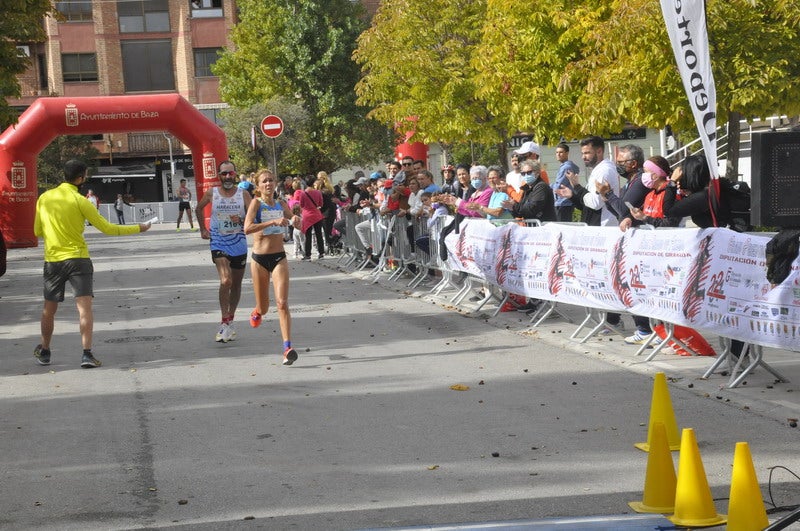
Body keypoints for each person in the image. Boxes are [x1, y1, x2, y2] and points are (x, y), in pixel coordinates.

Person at [32, 159, 151, 368]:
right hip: (78, 259)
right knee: (84, 309)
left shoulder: (44, 198)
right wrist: (138, 228)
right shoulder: (81, 201)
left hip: (53, 260)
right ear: (81, 178)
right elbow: (107, 228)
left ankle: (45, 351)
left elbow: (37, 232)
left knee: (48, 309)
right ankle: (86, 354)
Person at [244, 169, 299, 366]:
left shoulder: (281, 203)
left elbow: (295, 221)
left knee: (282, 302)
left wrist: (296, 220)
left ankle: (287, 348)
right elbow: (247, 228)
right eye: (264, 181)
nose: (268, 183)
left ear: (275, 183)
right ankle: (257, 311)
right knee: (265, 308)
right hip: (259, 259)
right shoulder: (256, 203)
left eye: (271, 180)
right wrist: (271, 221)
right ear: (258, 186)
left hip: (279, 257)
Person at [196, 161, 252, 343]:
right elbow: (198, 208)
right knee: (225, 280)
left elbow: (253, 217)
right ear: (219, 175)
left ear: (235, 174)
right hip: (219, 242)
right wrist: (203, 230)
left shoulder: (243, 194)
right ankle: (223, 320)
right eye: (224, 174)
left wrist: (242, 219)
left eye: (230, 173)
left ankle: (230, 319)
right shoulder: (212, 193)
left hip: (239, 243)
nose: (227, 177)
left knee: (235, 284)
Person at [293, 175, 326, 260]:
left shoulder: (303, 193)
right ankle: (321, 253)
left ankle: (308, 254)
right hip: (316, 215)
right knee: (319, 235)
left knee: (308, 236)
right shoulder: (318, 192)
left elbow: (301, 205)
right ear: (313, 182)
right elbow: (320, 204)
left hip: (307, 215)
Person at [552, 143, 579, 222]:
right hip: (565, 202)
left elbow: (558, 185)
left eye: (561, 152)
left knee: (562, 228)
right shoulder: (566, 166)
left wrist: (547, 186)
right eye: (557, 152)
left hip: (563, 202)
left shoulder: (566, 167)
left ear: (567, 153)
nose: (558, 154)